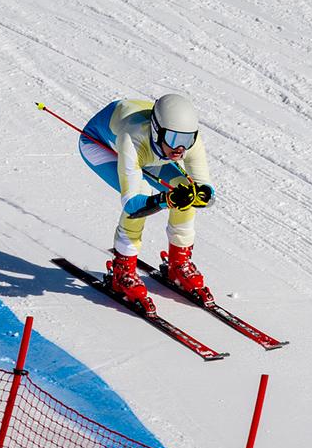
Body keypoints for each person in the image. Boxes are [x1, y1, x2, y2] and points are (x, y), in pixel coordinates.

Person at [78, 94, 216, 313]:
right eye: (173, 138)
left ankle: (178, 263)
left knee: (185, 189)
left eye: (187, 139)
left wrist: (200, 195)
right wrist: (166, 200)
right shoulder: (132, 139)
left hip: (151, 151)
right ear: (157, 130)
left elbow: (205, 190)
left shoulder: (188, 144)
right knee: (142, 192)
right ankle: (123, 270)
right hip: (100, 144)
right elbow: (132, 204)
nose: (180, 148)